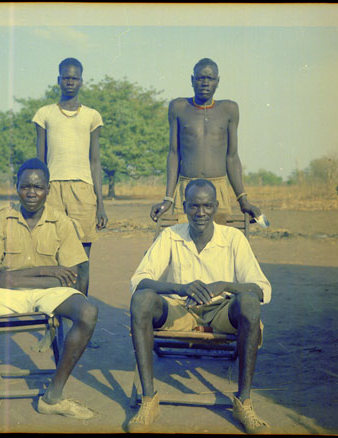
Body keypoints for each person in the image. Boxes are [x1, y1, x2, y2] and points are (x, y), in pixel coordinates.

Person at [0, 158, 98, 432]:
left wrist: (15, 276)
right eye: (25, 187)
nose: (32, 193)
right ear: (17, 189)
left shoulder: (61, 222)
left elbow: (70, 278)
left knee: (88, 312)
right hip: (5, 293)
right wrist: (46, 271)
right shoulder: (2, 219)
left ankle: (53, 396)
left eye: (37, 187)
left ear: (48, 189)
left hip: (48, 294)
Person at [129, 179, 271, 434]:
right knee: (142, 299)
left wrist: (224, 285)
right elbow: (139, 281)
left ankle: (244, 402)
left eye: (207, 206)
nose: (201, 213)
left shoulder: (233, 238)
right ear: (184, 206)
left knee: (249, 302)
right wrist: (180, 288)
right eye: (194, 206)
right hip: (179, 311)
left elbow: (262, 289)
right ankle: (149, 399)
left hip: (221, 312)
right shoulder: (170, 236)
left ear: (216, 206)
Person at [150, 58, 260, 226]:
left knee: (219, 244)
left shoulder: (229, 109)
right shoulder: (178, 107)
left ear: (218, 81)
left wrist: (242, 199)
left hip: (218, 189)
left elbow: (232, 157)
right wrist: (168, 199)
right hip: (187, 188)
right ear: (192, 80)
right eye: (200, 78)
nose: (205, 83)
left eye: (210, 78)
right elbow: (174, 154)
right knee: (183, 243)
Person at [33, 57, 107, 298]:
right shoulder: (44, 114)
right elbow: (40, 160)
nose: (70, 82)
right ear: (58, 80)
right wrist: (39, 195)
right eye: (66, 77)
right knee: (53, 253)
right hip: (52, 189)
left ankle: (80, 311)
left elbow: (95, 162)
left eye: (74, 78)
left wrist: (100, 204)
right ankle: (56, 313)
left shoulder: (92, 116)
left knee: (82, 255)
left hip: (83, 191)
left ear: (81, 81)